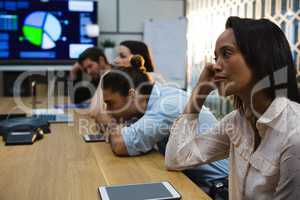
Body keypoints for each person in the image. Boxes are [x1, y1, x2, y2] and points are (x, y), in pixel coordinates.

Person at [165, 16, 300, 199]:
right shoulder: (237, 121)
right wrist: (199, 93)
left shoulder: (294, 134)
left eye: (226, 54)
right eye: (215, 57)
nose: (215, 66)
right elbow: (177, 158)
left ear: (261, 56)